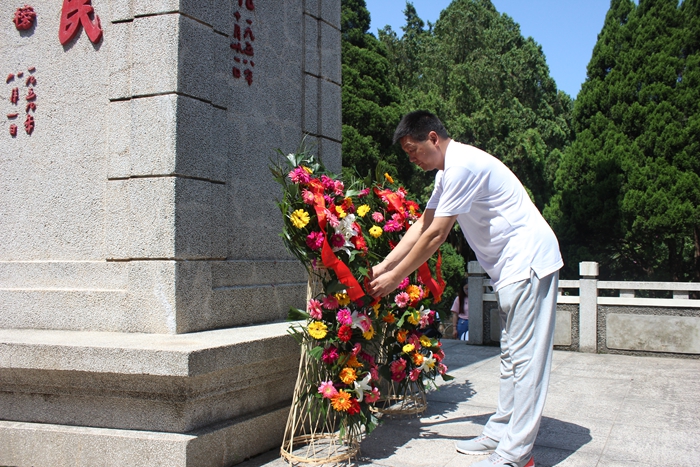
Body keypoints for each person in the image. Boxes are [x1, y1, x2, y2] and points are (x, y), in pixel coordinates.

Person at [369, 110, 563, 467]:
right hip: (511, 269)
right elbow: (423, 223)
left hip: (529, 262)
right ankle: (499, 433)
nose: (411, 158)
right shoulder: (448, 172)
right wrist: (384, 266)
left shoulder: (463, 166)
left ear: (432, 138)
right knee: (512, 357)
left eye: (413, 150)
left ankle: (515, 455)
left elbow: (437, 235)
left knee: (526, 361)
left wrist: (397, 278)